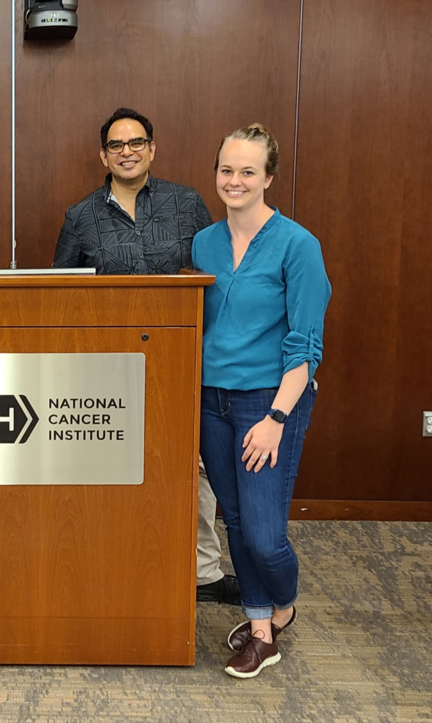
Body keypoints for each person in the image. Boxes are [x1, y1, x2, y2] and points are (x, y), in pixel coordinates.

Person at [53, 107, 240, 605]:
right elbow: (61, 293)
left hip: (180, 363)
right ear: (103, 156)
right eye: (116, 145)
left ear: (152, 149)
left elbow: (214, 279)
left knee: (192, 467)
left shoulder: (187, 204)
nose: (127, 152)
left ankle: (203, 573)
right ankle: (116, 562)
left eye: (136, 142)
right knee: (114, 466)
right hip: (107, 368)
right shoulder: (80, 216)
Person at [193, 124, 331, 678]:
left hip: (269, 403)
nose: (235, 180)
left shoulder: (298, 246)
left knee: (265, 536)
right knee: (235, 522)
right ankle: (259, 631)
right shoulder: (204, 243)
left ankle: (283, 606)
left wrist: (276, 417)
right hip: (211, 402)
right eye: (227, 169)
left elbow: (306, 345)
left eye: (248, 171)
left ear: (268, 178)